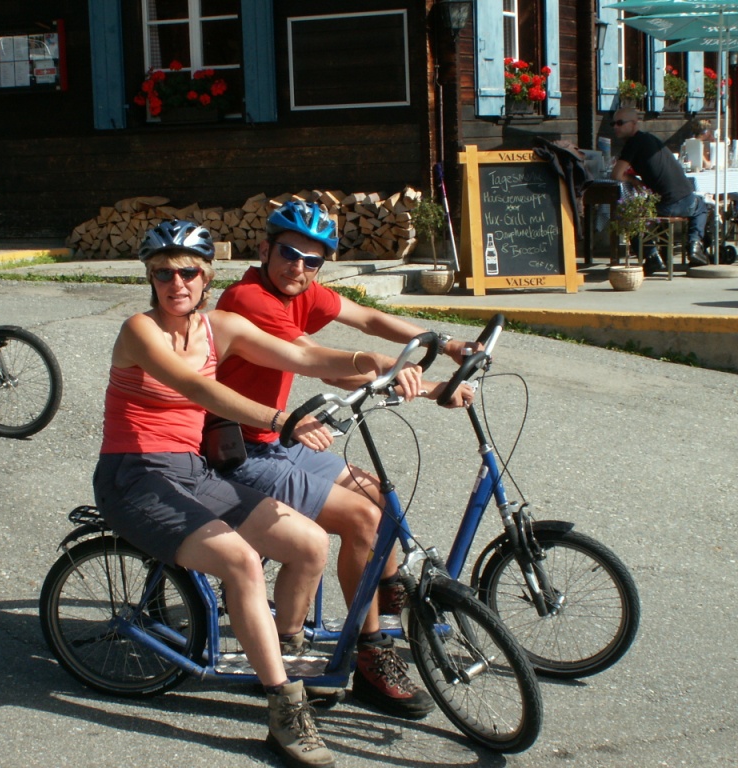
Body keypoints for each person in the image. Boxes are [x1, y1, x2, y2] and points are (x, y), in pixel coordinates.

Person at [95, 219, 425, 768]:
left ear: (207, 276)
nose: (177, 283)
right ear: (150, 278)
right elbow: (198, 388)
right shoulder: (140, 330)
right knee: (242, 562)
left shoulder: (220, 327)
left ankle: (284, 653)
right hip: (135, 475)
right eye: (163, 273)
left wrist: (382, 366)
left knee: (309, 544)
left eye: (188, 272)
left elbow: (302, 358)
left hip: (192, 470)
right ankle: (284, 708)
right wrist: (282, 419)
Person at [214, 200, 478, 720]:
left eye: (312, 261)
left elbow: (369, 318)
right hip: (240, 450)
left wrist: (446, 343)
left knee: (375, 493)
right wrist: (421, 384)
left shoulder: (300, 290)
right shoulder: (248, 299)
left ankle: (382, 598)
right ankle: (363, 653)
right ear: (265, 249)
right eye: (289, 254)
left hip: (277, 439)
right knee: (362, 519)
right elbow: (317, 361)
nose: (299, 267)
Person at [610, 108, 710, 274]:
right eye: (613, 123)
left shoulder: (634, 143)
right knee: (701, 206)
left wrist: (633, 180)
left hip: (668, 204)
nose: (615, 127)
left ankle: (651, 256)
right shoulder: (649, 139)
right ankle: (694, 245)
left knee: (631, 214)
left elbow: (616, 174)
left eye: (620, 123)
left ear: (634, 123)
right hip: (684, 199)